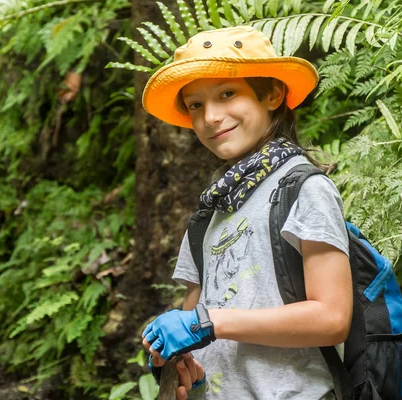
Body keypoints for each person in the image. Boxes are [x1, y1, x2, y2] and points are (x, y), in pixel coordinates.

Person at [140, 25, 353, 399]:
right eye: (195, 105)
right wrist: (183, 366)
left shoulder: (303, 189)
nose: (210, 117)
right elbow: (199, 329)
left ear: (272, 94)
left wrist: (208, 322)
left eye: (227, 93)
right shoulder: (208, 214)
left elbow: (332, 319)